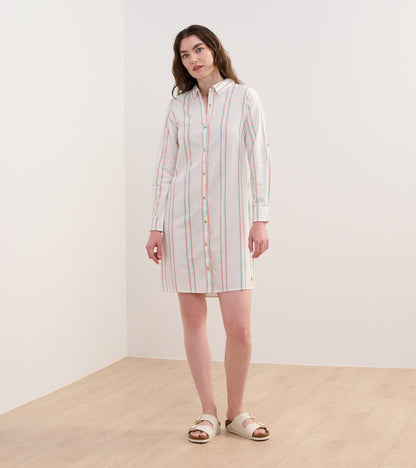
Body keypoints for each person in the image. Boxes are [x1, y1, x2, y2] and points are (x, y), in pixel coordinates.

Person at [145, 24, 271, 443]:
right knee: (193, 322)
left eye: (199, 49)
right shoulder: (178, 107)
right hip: (182, 223)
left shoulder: (244, 98)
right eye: (184, 55)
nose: (193, 59)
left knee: (239, 327)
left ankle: (237, 412)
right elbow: (165, 169)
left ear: (214, 50)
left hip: (233, 222)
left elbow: (259, 160)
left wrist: (261, 217)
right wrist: (156, 225)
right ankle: (208, 413)